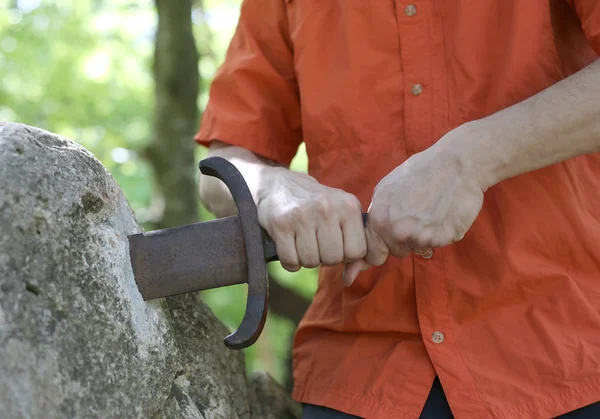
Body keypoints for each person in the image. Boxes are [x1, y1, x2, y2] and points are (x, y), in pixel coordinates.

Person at [195, 1, 600, 418]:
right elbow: (218, 171)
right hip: (360, 371)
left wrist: (471, 159)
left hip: (564, 354)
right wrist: (269, 186)